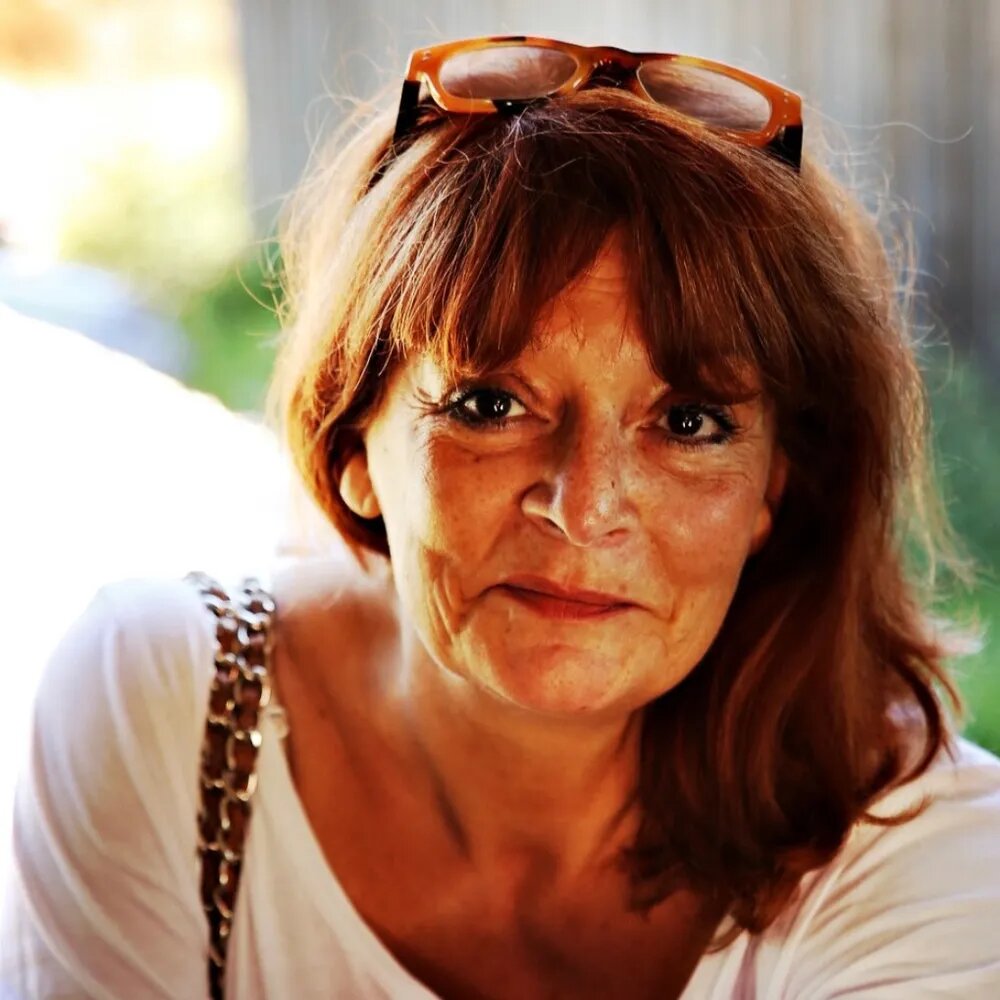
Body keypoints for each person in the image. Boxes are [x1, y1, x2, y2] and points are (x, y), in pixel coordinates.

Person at [3, 35, 1000, 1000]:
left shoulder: (925, 859)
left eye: (687, 422)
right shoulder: (175, 709)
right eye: (490, 405)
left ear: (772, 492)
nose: (584, 508)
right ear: (354, 445)